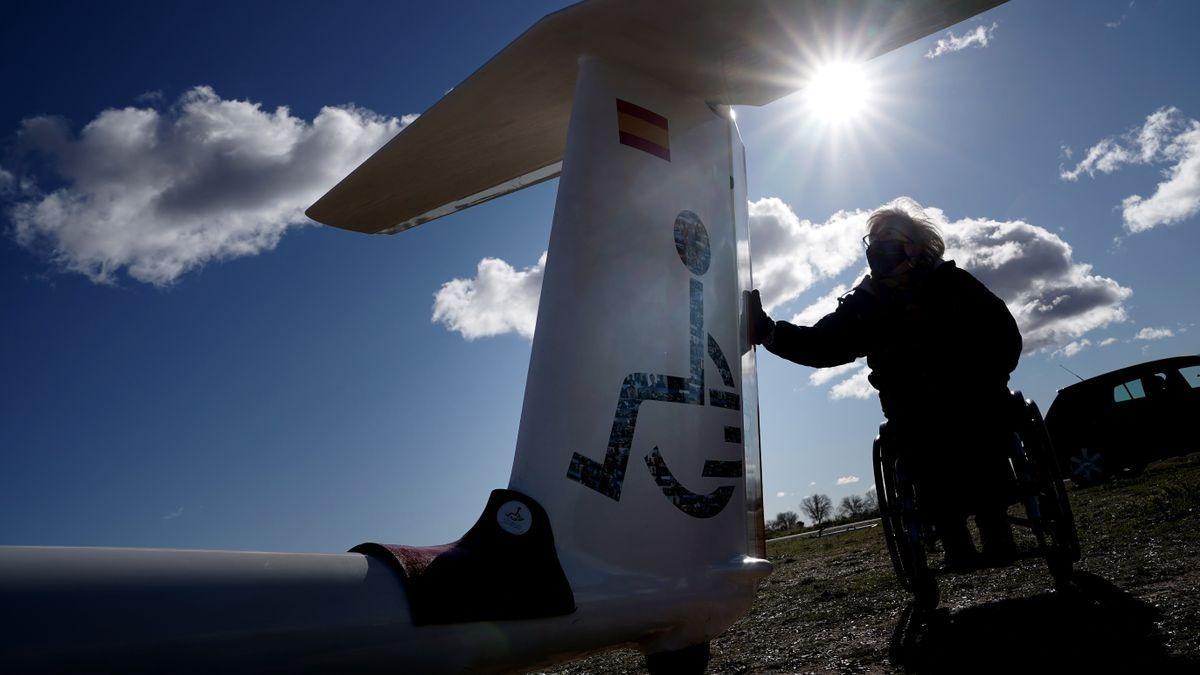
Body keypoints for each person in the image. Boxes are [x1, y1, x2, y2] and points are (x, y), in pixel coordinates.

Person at [746, 205, 1022, 569]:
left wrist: (989, 376)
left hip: (973, 394)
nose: (878, 248)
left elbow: (1003, 332)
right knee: (918, 442)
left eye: (888, 240)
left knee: (982, 425)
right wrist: (769, 332)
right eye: (873, 242)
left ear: (915, 247)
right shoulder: (867, 303)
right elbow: (824, 343)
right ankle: (953, 536)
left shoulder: (954, 284)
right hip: (912, 409)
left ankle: (994, 525)